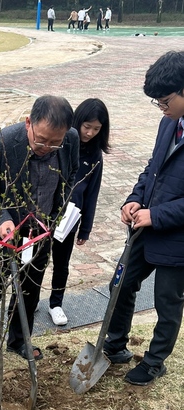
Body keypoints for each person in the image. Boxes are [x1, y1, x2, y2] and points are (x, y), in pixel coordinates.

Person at [0, 96, 79, 374]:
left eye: (55, 142)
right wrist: (2, 219)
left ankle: (19, 339)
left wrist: (55, 215)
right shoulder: (1, 143)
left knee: (30, 287)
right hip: (0, 232)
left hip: (39, 232)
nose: (47, 148)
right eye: (41, 140)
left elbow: (72, 174)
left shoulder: (71, 140)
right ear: (28, 122)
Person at [103, 50, 184, 386]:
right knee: (120, 284)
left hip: (176, 239)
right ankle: (115, 344)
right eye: (156, 102)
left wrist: (158, 214)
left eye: (165, 100)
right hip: (145, 228)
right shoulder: (168, 124)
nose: (161, 107)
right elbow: (153, 169)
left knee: (167, 302)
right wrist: (134, 199)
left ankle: (154, 362)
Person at [48, 98, 110, 326]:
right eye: (87, 126)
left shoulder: (95, 156)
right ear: (77, 121)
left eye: (97, 129)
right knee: (33, 258)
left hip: (70, 217)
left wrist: (86, 227)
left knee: (61, 262)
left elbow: (92, 192)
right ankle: (27, 300)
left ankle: (56, 303)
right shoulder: (60, 142)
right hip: (45, 212)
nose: (90, 133)